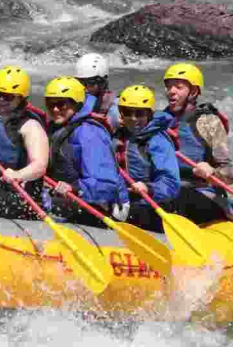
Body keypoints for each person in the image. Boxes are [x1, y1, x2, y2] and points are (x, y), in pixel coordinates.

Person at [161, 62, 233, 226]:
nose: (171, 91)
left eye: (178, 87)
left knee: (179, 196)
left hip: (201, 194)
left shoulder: (208, 122)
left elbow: (229, 173)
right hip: (166, 192)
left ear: (193, 92)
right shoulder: (159, 121)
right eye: (169, 86)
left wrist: (211, 172)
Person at [43, 76, 128, 227]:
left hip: (97, 211)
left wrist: (74, 188)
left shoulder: (90, 133)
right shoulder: (55, 128)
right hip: (67, 204)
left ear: (77, 104)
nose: (55, 109)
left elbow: (105, 184)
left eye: (61, 104)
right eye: (50, 104)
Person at [0, 66, 49, 220]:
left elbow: (39, 165)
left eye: (7, 97)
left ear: (21, 98)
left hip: (13, 190)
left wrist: (18, 175)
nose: (0, 100)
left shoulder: (30, 126)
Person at [115, 85, 180, 233]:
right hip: (124, 201)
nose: (133, 118)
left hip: (150, 205)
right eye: (127, 112)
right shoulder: (117, 136)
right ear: (121, 113)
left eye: (140, 114)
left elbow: (171, 184)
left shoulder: (158, 141)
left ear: (149, 114)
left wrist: (148, 188)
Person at [74, 52, 120, 131]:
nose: (85, 88)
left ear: (102, 83)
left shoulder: (114, 109)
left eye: (90, 83)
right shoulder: (73, 101)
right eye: (80, 83)